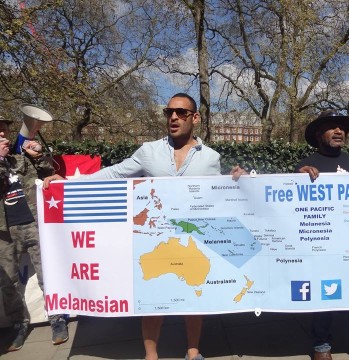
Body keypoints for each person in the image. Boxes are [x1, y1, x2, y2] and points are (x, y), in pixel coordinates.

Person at [44, 93, 246, 360]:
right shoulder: (148, 151)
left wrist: (239, 181)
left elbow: (218, 192)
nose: (173, 117)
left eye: (181, 112)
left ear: (194, 118)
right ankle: (151, 356)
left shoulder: (210, 157)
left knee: (194, 299)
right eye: (169, 112)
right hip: (154, 240)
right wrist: (68, 182)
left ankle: (193, 351)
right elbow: (115, 173)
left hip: (191, 241)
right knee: (152, 301)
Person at [296, 110, 349, 360]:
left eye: (342, 127)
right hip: (322, 244)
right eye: (332, 127)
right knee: (322, 294)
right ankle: (321, 346)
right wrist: (295, 180)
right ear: (319, 135)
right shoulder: (305, 166)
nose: (339, 131)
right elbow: (289, 205)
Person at [0, 114, 69, 351]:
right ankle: (18, 324)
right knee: (8, 281)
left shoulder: (18, 157)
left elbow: (49, 171)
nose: (3, 135)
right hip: (4, 233)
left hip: (34, 224)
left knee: (47, 273)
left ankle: (57, 319)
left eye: (4, 131)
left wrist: (38, 155)